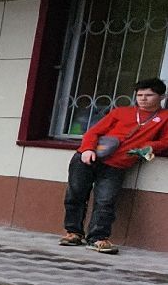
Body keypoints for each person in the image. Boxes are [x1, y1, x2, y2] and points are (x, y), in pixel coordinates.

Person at [60, 78, 168, 254]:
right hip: (88, 157)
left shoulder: (164, 117)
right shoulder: (121, 112)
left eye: (149, 95)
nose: (143, 99)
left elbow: (165, 141)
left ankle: (97, 238)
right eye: (139, 95)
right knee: (75, 194)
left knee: (106, 201)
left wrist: (150, 146)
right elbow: (94, 132)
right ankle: (73, 233)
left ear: (162, 96)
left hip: (117, 164)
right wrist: (87, 149)